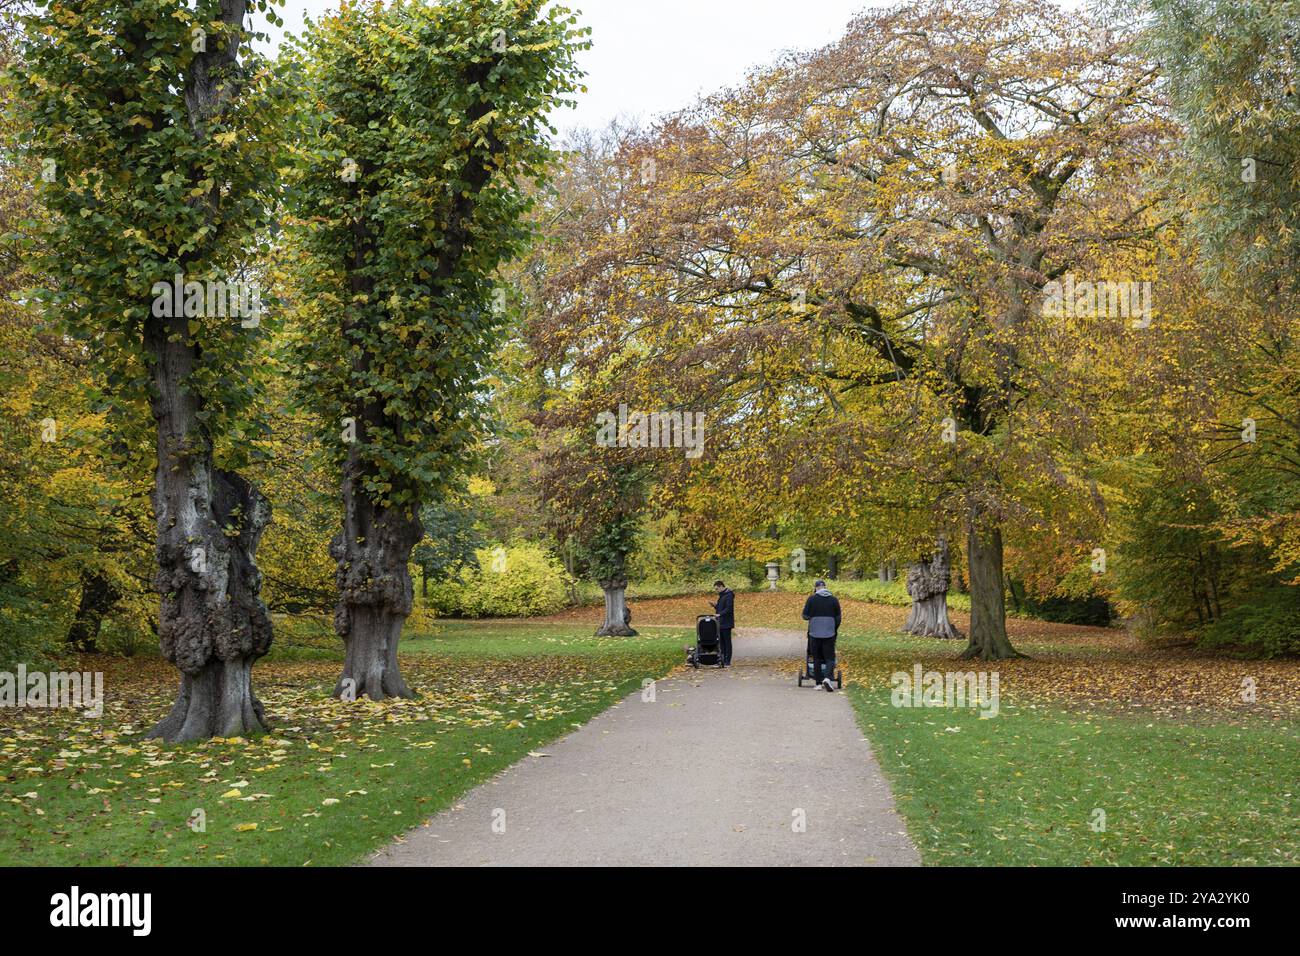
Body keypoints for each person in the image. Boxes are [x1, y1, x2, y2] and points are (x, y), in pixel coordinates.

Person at [802, 579, 841, 692]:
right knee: (830, 658)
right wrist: (833, 628)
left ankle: (818, 683)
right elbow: (838, 618)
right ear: (826, 588)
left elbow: (804, 616)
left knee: (817, 658)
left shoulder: (811, 599)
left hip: (814, 633)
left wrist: (813, 617)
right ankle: (828, 678)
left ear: (816, 589)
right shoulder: (834, 600)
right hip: (829, 633)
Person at [710, 579, 735, 666]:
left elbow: (729, 608)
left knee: (727, 642)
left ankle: (727, 661)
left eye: (717, 589)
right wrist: (715, 606)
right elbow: (721, 608)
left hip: (726, 622)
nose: (716, 591)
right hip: (720, 622)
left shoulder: (729, 595)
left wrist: (719, 614)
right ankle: (722, 659)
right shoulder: (722, 595)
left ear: (721, 586)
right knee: (721, 642)